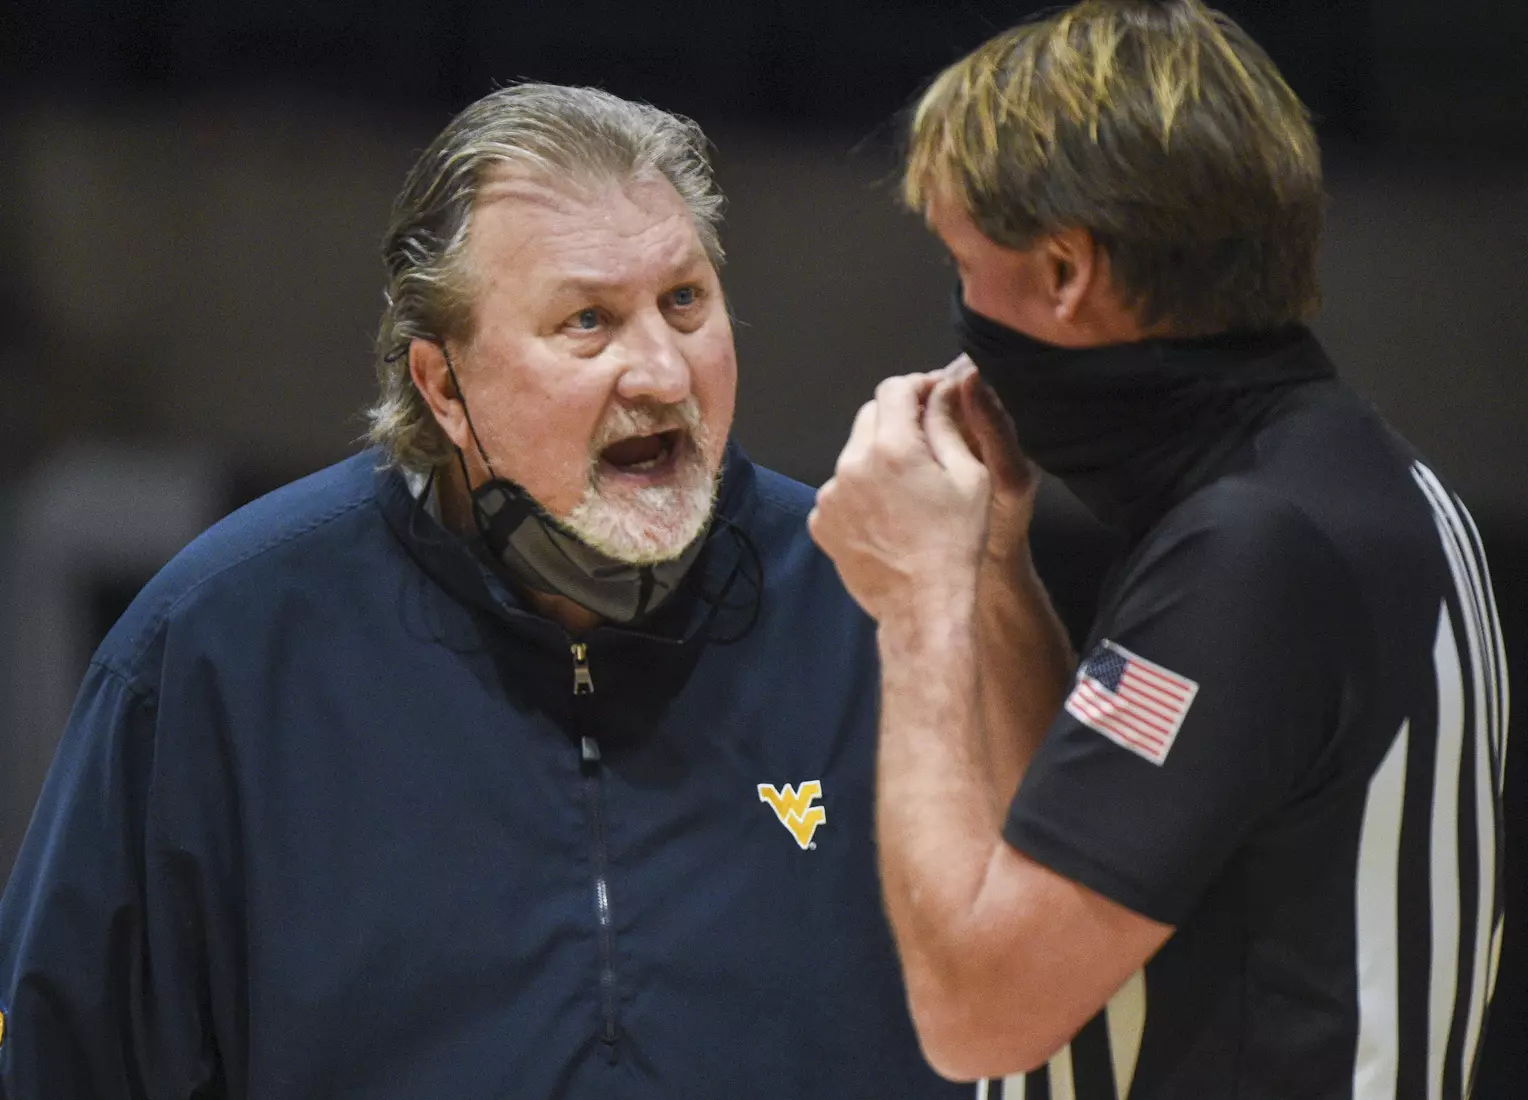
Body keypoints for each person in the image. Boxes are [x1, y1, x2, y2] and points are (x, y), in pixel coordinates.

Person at [0, 84, 967, 1100]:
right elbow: (62, 1059)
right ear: (442, 383)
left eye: (685, 302)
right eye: (588, 320)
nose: (661, 371)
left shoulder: (883, 604)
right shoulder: (215, 646)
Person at [809, 2, 1509, 1098]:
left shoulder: (1258, 549)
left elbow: (977, 1013)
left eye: (961, 262)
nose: (958, 310)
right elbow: (1073, 842)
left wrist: (919, 596)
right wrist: (992, 561)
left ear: (1062, 273)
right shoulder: (1353, 482)